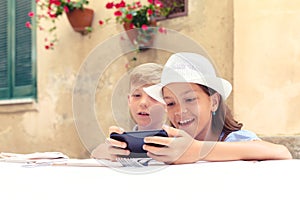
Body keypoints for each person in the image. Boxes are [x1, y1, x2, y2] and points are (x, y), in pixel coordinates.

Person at [140, 52, 292, 164]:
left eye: (190, 99)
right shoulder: (168, 144)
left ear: (213, 102)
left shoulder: (234, 140)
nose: (180, 111)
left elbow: (282, 152)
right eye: (171, 103)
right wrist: (119, 150)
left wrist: (197, 150)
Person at [91, 63, 166, 160]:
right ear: (129, 100)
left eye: (152, 96)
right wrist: (99, 152)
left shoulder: (179, 142)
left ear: (167, 102)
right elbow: (97, 154)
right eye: (137, 95)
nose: (143, 103)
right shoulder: (120, 144)